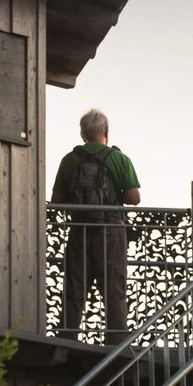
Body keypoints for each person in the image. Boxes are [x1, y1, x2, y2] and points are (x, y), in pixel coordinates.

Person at [51, 109, 140, 345]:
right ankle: (116, 343)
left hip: (79, 229)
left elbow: (56, 201)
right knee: (113, 288)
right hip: (111, 230)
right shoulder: (120, 159)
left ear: (82, 133)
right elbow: (134, 198)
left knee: (74, 287)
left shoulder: (70, 160)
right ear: (106, 131)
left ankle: (68, 339)